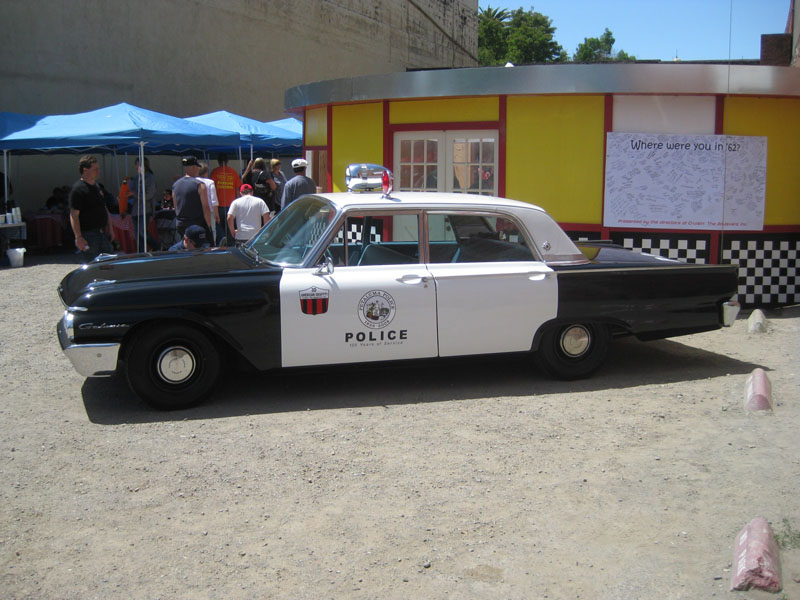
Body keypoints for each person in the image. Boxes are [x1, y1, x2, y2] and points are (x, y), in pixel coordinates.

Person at [69, 155, 115, 261]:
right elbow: (74, 215)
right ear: (85, 170)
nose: (98, 172)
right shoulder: (78, 189)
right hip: (89, 235)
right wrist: (78, 237)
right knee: (92, 265)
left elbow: (105, 209)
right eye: (95, 169)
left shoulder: (97, 187)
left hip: (102, 233)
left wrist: (111, 229)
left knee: (109, 263)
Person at [172, 155, 211, 240]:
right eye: (197, 167)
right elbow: (206, 208)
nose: (198, 170)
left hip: (181, 225)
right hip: (197, 226)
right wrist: (209, 226)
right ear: (194, 167)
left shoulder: (175, 185)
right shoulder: (200, 185)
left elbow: (176, 207)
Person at [209, 153, 241, 246]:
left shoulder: (214, 172)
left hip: (218, 205)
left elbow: (212, 189)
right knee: (231, 227)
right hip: (231, 205)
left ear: (218, 161)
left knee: (218, 227)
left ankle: (221, 244)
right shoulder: (233, 172)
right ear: (227, 161)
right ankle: (230, 245)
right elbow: (237, 190)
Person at [128, 157, 157, 251]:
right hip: (135, 210)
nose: (136, 167)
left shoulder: (149, 177)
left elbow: (149, 194)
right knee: (137, 235)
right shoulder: (136, 178)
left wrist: (134, 194)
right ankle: (141, 253)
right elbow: (133, 192)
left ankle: (157, 246)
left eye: (138, 165)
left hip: (145, 209)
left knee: (142, 232)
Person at [197, 162, 221, 245]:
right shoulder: (210, 182)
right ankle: (211, 245)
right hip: (209, 211)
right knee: (211, 230)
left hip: (197, 210)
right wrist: (216, 214)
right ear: (206, 172)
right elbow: (214, 200)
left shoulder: (193, 181)